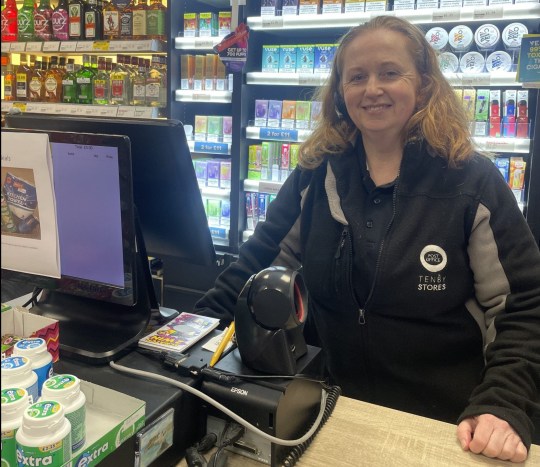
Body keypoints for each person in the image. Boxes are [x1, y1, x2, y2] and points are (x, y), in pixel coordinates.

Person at [194, 16, 540, 463]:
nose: (371, 88)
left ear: (425, 85)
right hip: (328, 410)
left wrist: (503, 403)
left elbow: (525, 306)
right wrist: (183, 332)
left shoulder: (471, 182)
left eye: (390, 72)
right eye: (356, 76)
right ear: (340, 91)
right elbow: (254, 265)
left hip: (447, 427)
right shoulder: (316, 174)